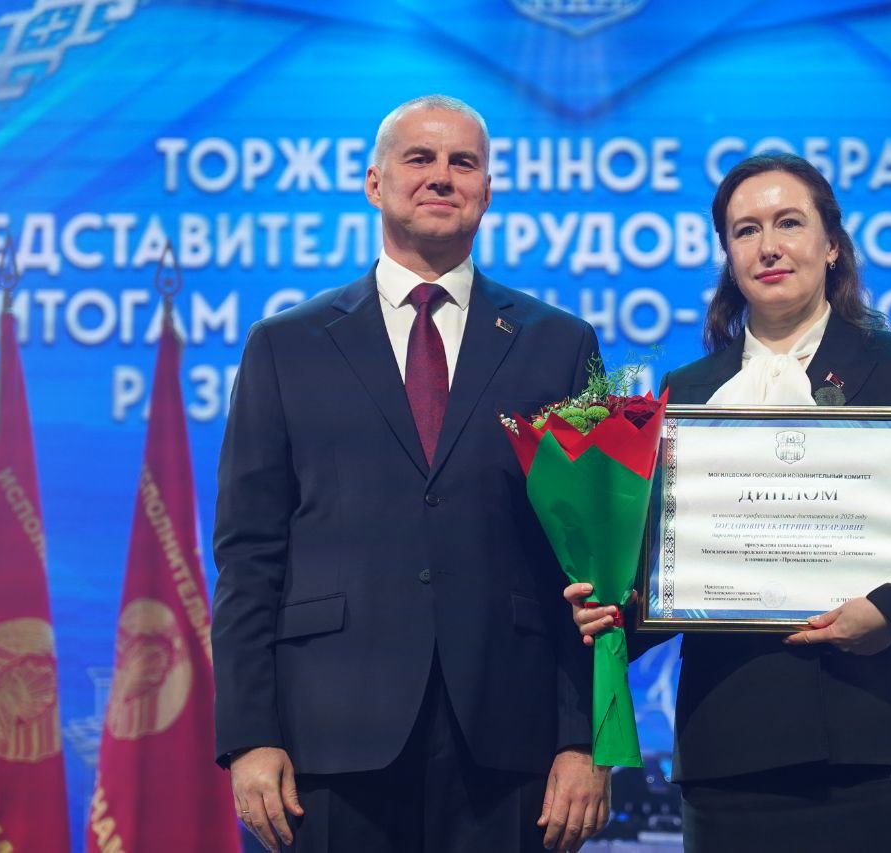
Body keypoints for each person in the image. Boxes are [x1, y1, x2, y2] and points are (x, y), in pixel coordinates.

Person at [566, 154, 891, 852]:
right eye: (746, 230)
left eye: (789, 223)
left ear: (831, 243)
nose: (769, 246)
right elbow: (673, 571)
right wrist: (613, 611)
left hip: (874, 738)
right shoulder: (687, 391)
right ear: (728, 256)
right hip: (729, 746)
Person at [213, 94, 610, 853]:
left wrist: (583, 739)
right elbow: (249, 555)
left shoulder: (558, 344)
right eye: (419, 158)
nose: (441, 176)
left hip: (511, 735)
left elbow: (587, 564)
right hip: (328, 733)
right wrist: (249, 734)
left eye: (463, 162)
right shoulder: (285, 346)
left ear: (487, 190)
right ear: (375, 182)